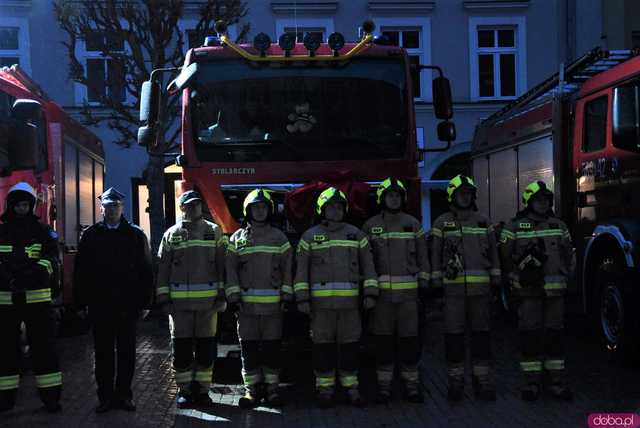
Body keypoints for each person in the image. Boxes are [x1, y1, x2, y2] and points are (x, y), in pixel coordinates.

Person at [294, 187, 378, 408]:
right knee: (322, 349)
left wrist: (370, 293)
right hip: (320, 309)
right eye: (331, 206)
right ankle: (325, 390)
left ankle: (352, 389)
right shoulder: (309, 237)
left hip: (350, 308)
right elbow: (301, 271)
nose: (335, 210)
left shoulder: (357, 235)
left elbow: (368, 267)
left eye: (339, 206)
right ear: (322, 209)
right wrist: (302, 299)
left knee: (350, 347)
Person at [73, 187, 153, 413]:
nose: (112, 210)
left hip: (127, 305)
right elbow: (81, 271)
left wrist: (146, 302)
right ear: (101, 208)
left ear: (122, 208)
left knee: (127, 353)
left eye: (115, 206)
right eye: (108, 206)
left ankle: (124, 396)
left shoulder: (136, 235)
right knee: (103, 353)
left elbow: (146, 271)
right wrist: (79, 303)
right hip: (100, 304)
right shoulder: (90, 235)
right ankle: (105, 397)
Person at [499, 181, 574, 402]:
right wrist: (519, 275)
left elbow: (569, 255)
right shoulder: (514, 227)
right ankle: (531, 384)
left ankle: (556, 383)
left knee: (555, 338)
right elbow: (505, 258)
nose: (542, 203)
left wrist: (566, 278)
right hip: (528, 294)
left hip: (555, 295)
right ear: (528, 202)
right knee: (530, 337)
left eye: (545, 200)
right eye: (538, 200)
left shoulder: (559, 225)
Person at [430, 175, 500, 401]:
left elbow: (494, 254)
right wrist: (436, 284)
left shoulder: (483, 221)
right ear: (452, 196)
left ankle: (482, 382)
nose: (466, 196)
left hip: (480, 294)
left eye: (469, 193)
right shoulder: (441, 223)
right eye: (462, 193)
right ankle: (456, 383)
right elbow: (435, 255)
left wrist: (496, 281)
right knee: (454, 340)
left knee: (481, 339)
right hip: (453, 295)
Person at [156, 190, 226, 409]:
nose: (193, 208)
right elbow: (163, 269)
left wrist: (222, 296)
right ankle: (185, 392)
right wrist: (163, 299)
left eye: (196, 204)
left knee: (206, 350)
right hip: (179, 309)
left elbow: (223, 267)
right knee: (182, 351)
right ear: (182, 208)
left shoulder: (214, 231)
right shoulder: (171, 234)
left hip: (208, 306)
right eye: (189, 205)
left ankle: (203, 392)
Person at [362, 178, 430, 403]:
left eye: (397, 195)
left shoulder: (413, 224)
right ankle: (384, 388)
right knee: (383, 344)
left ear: (403, 198)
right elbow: (365, 262)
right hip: (381, 300)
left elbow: (423, 258)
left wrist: (426, 285)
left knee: (410, 343)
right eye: (390, 195)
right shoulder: (370, 226)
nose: (394, 198)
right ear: (382, 199)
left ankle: (411, 387)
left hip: (409, 299)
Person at [225, 189, 293, 408]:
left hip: (273, 308)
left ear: (269, 210)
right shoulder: (237, 239)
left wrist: (286, 296)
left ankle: (273, 391)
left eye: (264, 207)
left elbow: (288, 270)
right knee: (250, 352)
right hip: (245, 310)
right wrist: (234, 297)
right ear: (248, 211)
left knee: (272, 351)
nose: (260, 211)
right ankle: (252, 392)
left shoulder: (279, 238)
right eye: (256, 207)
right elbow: (231, 270)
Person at [0, 182, 62, 413]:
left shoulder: (43, 232)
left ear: (32, 206)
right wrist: (5, 276)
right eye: (18, 205)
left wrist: (32, 274)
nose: (22, 209)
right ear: (11, 206)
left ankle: (51, 399)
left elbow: (51, 260)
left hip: (37, 300)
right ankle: (5, 400)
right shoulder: (1, 231)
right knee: (6, 351)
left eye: (26, 205)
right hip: (6, 301)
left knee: (43, 349)